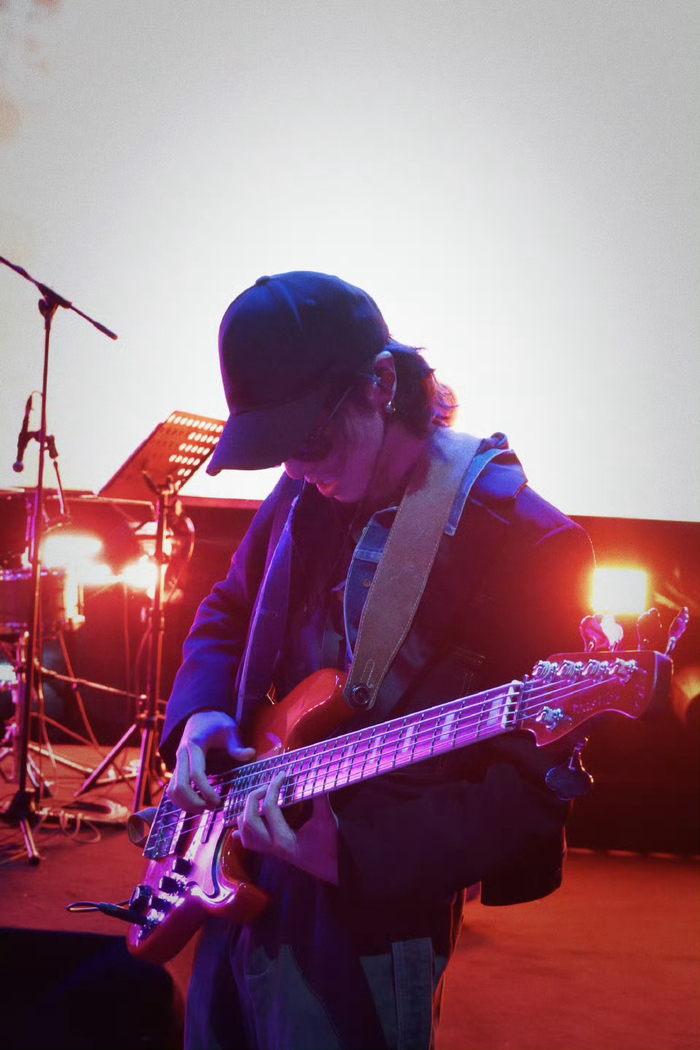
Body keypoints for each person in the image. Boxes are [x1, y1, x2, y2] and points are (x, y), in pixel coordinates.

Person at [159, 271, 595, 1050]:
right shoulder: (303, 492)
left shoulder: (527, 541)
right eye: (278, 451)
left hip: (367, 912)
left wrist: (352, 855)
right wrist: (200, 716)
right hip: (236, 863)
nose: (296, 469)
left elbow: (533, 794)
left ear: (382, 384)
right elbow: (226, 611)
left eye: (308, 441)